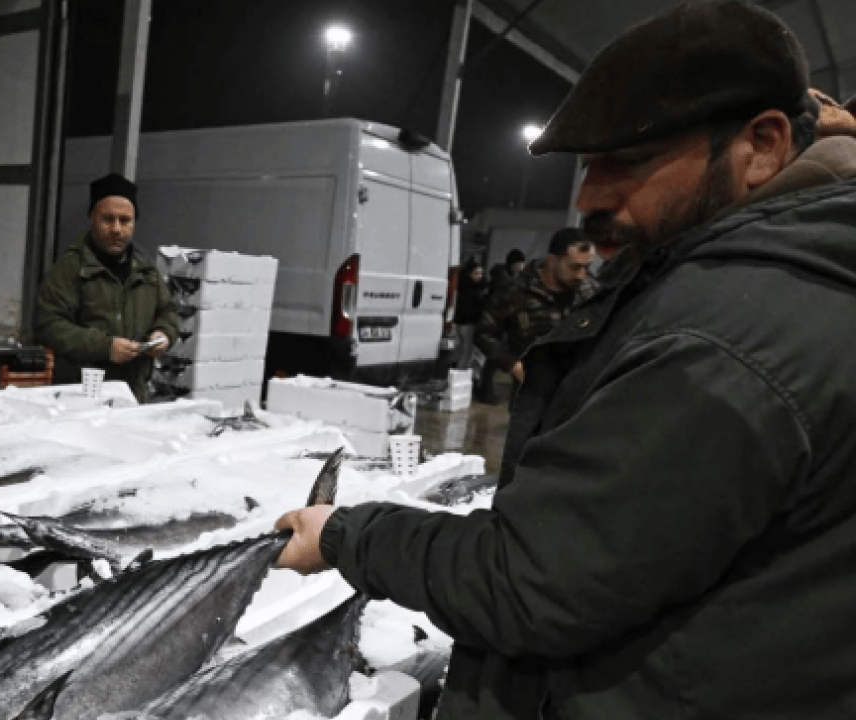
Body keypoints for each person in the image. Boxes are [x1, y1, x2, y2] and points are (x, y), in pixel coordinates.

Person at [275, 2, 856, 719]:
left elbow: (528, 581)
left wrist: (345, 533)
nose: (591, 196)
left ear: (762, 145)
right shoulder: (789, 273)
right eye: (588, 164)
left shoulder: (729, 335)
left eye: (630, 160)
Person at [35, 173, 179, 402]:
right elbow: (49, 325)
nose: (116, 229)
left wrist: (163, 334)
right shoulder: (70, 267)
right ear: (91, 218)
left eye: (125, 220)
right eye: (107, 219)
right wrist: (105, 347)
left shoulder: (145, 269)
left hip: (133, 393)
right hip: (82, 396)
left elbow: (168, 311)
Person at [475, 228, 596, 386]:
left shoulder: (591, 291)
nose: (581, 275)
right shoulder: (516, 291)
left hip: (579, 391)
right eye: (575, 267)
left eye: (586, 267)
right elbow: (483, 333)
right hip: (532, 393)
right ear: (552, 260)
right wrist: (513, 365)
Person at [452, 257, 487, 371]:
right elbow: (470, 307)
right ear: (469, 274)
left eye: (481, 273)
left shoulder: (464, 286)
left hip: (463, 322)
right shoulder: (471, 289)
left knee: (462, 350)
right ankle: (460, 373)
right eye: (476, 273)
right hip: (468, 322)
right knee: (466, 352)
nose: (479, 276)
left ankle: (456, 371)